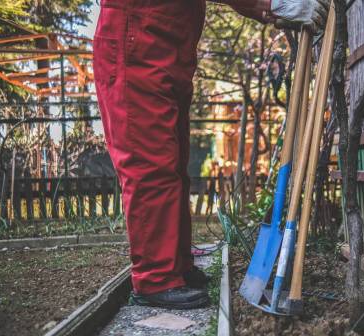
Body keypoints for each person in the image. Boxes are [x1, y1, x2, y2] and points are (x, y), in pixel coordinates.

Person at [93, 0, 328, 309]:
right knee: (149, 164)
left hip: (163, 47)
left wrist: (268, 11)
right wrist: (272, 3)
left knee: (173, 165)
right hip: (136, 45)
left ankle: (175, 266)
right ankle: (155, 279)